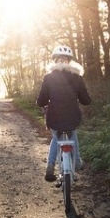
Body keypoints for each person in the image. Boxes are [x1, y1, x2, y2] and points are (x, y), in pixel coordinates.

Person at [36, 45, 92, 182]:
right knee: (72, 133)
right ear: (70, 61)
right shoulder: (77, 78)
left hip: (54, 116)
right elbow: (85, 100)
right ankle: (77, 161)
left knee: (56, 137)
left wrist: (41, 103)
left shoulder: (48, 78)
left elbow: (42, 99)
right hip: (72, 115)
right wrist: (85, 100)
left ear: (55, 61)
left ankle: (50, 165)